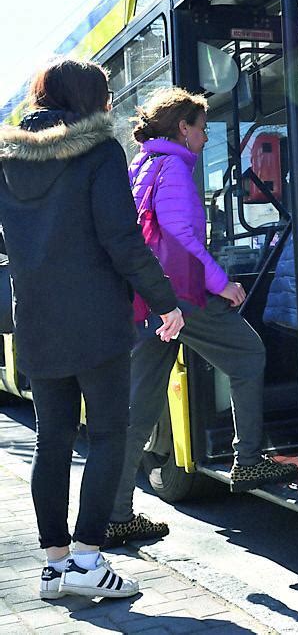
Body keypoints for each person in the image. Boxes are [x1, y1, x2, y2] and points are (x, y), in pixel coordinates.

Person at [0, 60, 184, 600]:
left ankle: (55, 567)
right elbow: (121, 239)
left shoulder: (7, 161)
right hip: (95, 319)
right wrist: (164, 300)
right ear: (91, 99)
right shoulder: (99, 152)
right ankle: (86, 558)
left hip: (36, 320)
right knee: (108, 432)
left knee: (51, 438)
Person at [103, 87, 298, 548]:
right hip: (182, 295)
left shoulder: (141, 165)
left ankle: (113, 515)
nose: (206, 136)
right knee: (249, 356)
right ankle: (248, 458)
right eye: (201, 126)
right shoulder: (173, 168)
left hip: (147, 298)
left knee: (141, 407)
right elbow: (181, 235)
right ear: (182, 129)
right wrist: (220, 283)